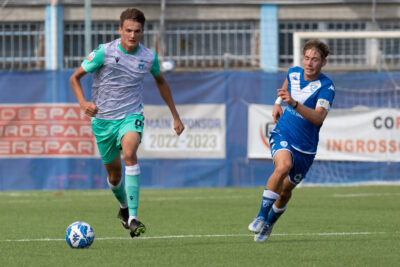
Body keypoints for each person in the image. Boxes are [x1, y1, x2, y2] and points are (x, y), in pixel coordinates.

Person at [70, 8, 184, 238]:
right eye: (128, 30)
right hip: (103, 121)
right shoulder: (104, 53)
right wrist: (83, 103)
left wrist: (175, 115)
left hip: (131, 116)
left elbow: (161, 82)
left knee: (130, 153)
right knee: (114, 176)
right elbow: (75, 77)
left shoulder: (148, 57)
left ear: (143, 31)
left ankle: (133, 217)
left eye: (137, 31)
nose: (132, 35)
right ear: (120, 30)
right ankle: (123, 208)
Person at [248, 40, 335, 242]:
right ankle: (261, 216)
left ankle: (269, 223)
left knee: (286, 192)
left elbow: (318, 118)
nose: (309, 63)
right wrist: (278, 103)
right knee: (283, 166)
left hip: (305, 147)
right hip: (283, 132)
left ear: (323, 62)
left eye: (315, 59)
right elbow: (287, 84)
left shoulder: (326, 87)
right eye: (306, 58)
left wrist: (293, 103)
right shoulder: (294, 72)